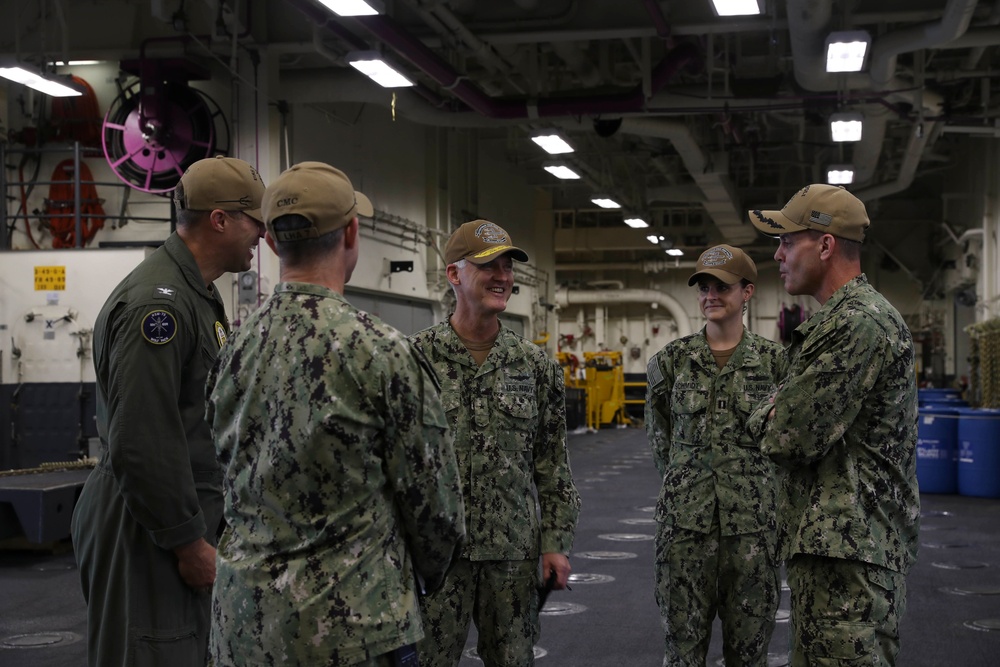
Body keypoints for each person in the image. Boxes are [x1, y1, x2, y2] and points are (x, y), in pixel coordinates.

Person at [206, 161, 466, 666]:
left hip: (242, 629)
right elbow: (435, 508)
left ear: (275, 244)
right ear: (352, 233)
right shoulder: (382, 351)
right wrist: (428, 578)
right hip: (357, 631)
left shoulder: (234, 348)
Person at [70, 155, 266, 666]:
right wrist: (187, 544)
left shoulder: (195, 295)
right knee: (153, 652)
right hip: (146, 523)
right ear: (220, 219)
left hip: (168, 515)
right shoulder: (158, 306)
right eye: (255, 220)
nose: (262, 234)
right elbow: (141, 441)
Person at [747, 184, 919, 666]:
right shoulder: (838, 322)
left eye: (787, 241)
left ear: (824, 245)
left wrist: (770, 408)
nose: (777, 254)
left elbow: (787, 435)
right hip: (835, 553)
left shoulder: (857, 324)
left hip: (849, 563)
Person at [409, 219, 581, 667]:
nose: (503, 276)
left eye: (507, 266)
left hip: (512, 556)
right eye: (489, 266)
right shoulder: (413, 359)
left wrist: (555, 541)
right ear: (454, 274)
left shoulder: (535, 366)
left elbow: (552, 464)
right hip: (435, 558)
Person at [644, 244, 786, 667]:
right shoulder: (670, 362)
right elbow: (660, 440)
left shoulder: (778, 364)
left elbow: (787, 446)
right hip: (685, 534)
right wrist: (688, 488)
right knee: (682, 654)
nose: (711, 295)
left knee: (749, 655)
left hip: (754, 535)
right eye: (704, 286)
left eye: (722, 287)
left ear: (747, 292)